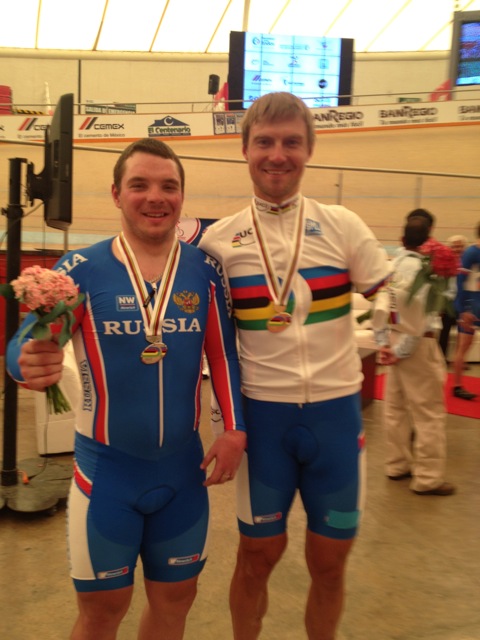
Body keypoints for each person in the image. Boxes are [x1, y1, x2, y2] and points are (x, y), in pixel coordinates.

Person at [6, 138, 246, 640]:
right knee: (102, 612)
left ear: (181, 196)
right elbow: (28, 343)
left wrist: (234, 430)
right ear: (117, 194)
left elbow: (223, 356)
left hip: (183, 477)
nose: (155, 197)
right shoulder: (81, 269)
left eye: (168, 186)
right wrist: (25, 363)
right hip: (107, 478)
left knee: (175, 603)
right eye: (140, 185)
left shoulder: (204, 270)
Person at [199, 92, 391, 640]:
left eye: (291, 142)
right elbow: (202, 335)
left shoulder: (342, 224)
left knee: (329, 565)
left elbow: (385, 292)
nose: (277, 154)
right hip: (265, 424)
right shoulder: (219, 242)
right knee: (256, 558)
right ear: (245, 149)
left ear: (310, 149)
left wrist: (391, 324)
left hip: (336, 421)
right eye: (264, 142)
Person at [375, 217, 455, 497]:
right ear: (429, 239)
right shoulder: (424, 271)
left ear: (402, 240)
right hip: (417, 345)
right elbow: (420, 319)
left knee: (395, 408)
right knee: (428, 413)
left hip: (393, 338)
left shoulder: (391, 266)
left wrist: (384, 344)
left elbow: (380, 306)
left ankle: (397, 464)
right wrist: (400, 351)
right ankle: (428, 478)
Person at [452, 221, 480, 400]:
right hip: (470, 306)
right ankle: (457, 386)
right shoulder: (471, 253)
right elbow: (460, 282)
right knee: (463, 346)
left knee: (466, 345)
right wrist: (463, 310)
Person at [438, 234, 468, 361]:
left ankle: (459, 360)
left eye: (460, 246)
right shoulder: (445, 264)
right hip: (448, 302)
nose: (457, 249)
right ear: (449, 248)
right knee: (444, 332)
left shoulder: (468, 263)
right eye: (454, 247)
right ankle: (441, 359)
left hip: (464, 303)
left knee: (464, 333)